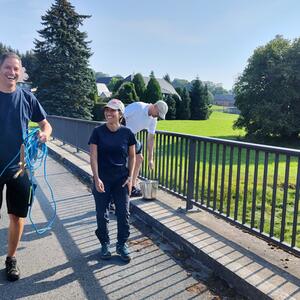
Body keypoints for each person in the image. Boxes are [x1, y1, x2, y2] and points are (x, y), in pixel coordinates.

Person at [0, 52, 52, 281]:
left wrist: (45, 134)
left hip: (20, 165)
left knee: (17, 216)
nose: (12, 72)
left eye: (16, 69)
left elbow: (46, 124)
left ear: (20, 72)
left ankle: (11, 259)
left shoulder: (26, 97)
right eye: (7, 68)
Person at [89, 99, 136, 262]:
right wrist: (96, 178)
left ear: (120, 114)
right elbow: (93, 156)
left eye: (113, 110)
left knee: (123, 214)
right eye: (107, 110)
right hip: (102, 179)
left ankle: (122, 244)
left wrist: (130, 177)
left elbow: (132, 156)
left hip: (121, 180)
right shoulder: (98, 131)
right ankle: (104, 243)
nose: (109, 113)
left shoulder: (128, 133)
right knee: (102, 215)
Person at [124, 100, 168, 197]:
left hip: (131, 137)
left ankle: (131, 187)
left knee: (139, 158)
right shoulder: (138, 107)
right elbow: (120, 115)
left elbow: (151, 138)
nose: (157, 117)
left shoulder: (153, 119)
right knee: (121, 162)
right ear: (154, 106)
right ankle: (117, 191)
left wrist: (150, 159)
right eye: (158, 114)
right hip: (120, 133)